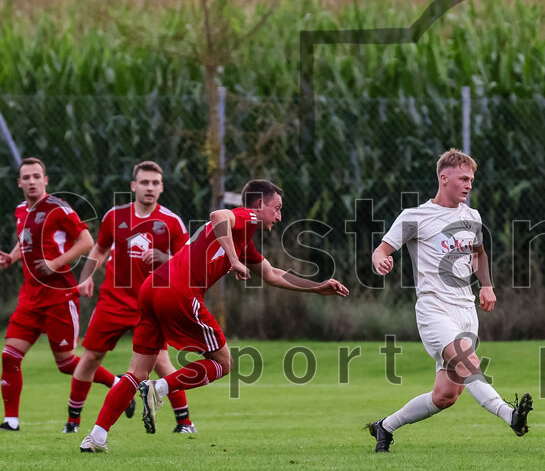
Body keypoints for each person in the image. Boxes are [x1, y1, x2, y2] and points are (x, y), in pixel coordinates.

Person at [79, 179, 350, 452]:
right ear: (259, 204)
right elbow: (218, 215)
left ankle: (96, 436)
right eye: (277, 208)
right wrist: (233, 259)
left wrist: (317, 287)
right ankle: (158, 389)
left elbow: (272, 274)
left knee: (136, 371)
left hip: (153, 286)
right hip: (179, 290)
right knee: (223, 362)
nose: (279, 217)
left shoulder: (245, 240)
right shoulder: (247, 216)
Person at [367, 149, 532, 453]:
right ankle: (510, 415)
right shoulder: (414, 216)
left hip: (466, 311)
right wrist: (380, 260)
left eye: (471, 179)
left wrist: (486, 285)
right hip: (434, 309)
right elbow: (382, 249)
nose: (469, 185)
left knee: (445, 396)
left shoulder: (472, 216)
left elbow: (480, 253)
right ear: (444, 178)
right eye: (463, 179)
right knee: (468, 362)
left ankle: (385, 427)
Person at [67, 161, 196, 434]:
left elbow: (188, 264)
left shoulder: (171, 222)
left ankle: (184, 423)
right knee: (89, 358)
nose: (149, 187)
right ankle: (72, 423)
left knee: (161, 362)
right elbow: (100, 249)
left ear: (161, 188)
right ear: (133, 186)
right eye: (144, 182)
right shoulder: (115, 216)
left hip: (151, 305)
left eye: (155, 183)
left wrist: (165, 258)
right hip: (113, 300)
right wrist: (86, 276)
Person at [0, 158, 99, 431]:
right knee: (9, 356)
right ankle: (11, 420)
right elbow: (27, 243)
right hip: (30, 298)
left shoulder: (58, 207)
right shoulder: (21, 210)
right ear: (19, 182)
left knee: (67, 364)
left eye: (36, 176)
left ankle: (117, 384)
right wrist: (11, 257)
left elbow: (86, 241)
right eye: (26, 177)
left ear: (46, 180)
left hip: (58, 296)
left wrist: (55, 263)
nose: (31, 181)